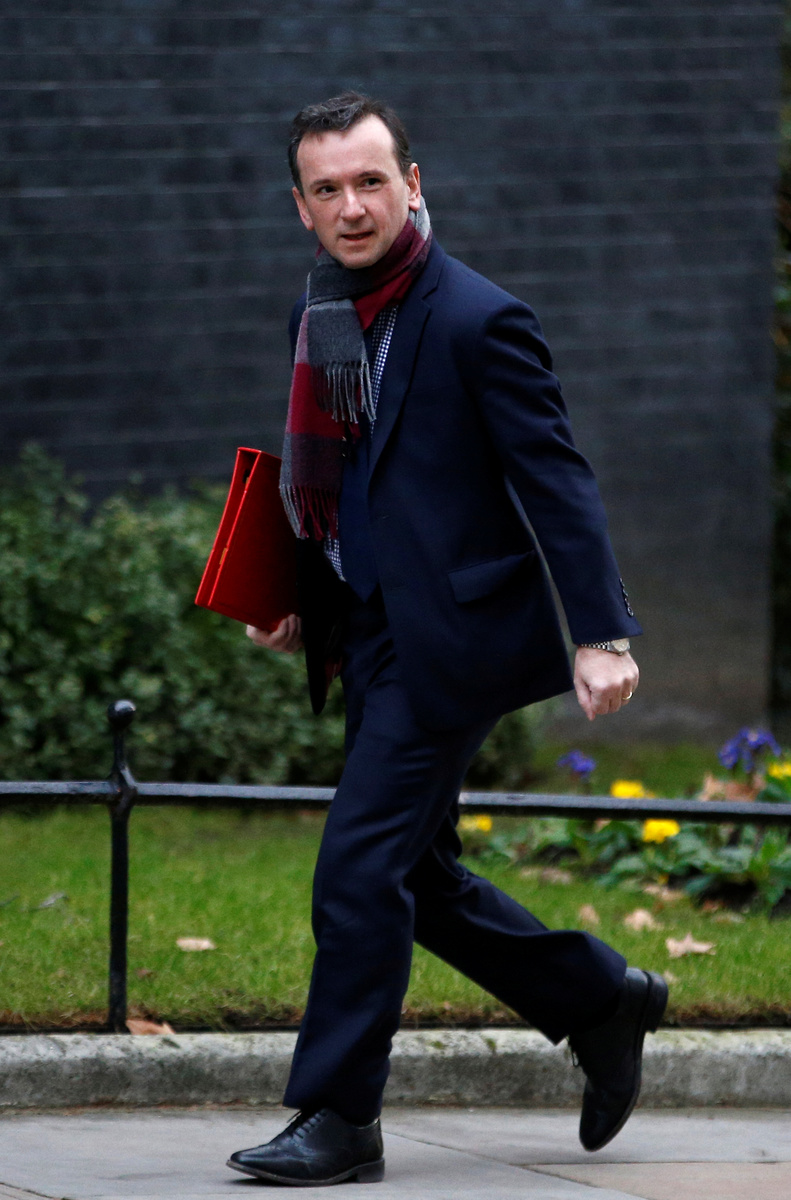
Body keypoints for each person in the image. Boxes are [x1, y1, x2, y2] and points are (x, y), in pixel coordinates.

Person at [227, 92, 667, 1187]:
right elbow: (346, 481)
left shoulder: (478, 318)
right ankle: (600, 999)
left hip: (453, 640)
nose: (351, 206)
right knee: (414, 878)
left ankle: (341, 1118)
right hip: (371, 631)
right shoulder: (320, 313)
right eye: (327, 189)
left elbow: (554, 477)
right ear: (300, 207)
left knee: (356, 867)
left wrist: (602, 632)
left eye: (370, 181)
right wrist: (298, 592)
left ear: (411, 184)